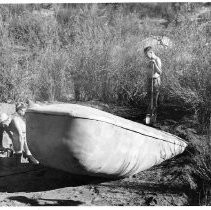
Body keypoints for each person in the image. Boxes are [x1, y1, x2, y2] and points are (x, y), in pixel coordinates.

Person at [144, 46, 162, 124]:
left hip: (155, 81)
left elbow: (160, 72)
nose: (146, 56)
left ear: (151, 52)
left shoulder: (157, 59)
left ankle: (153, 118)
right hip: (149, 81)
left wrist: (155, 64)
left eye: (146, 54)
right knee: (149, 100)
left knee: (154, 100)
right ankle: (148, 118)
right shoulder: (149, 60)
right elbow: (147, 71)